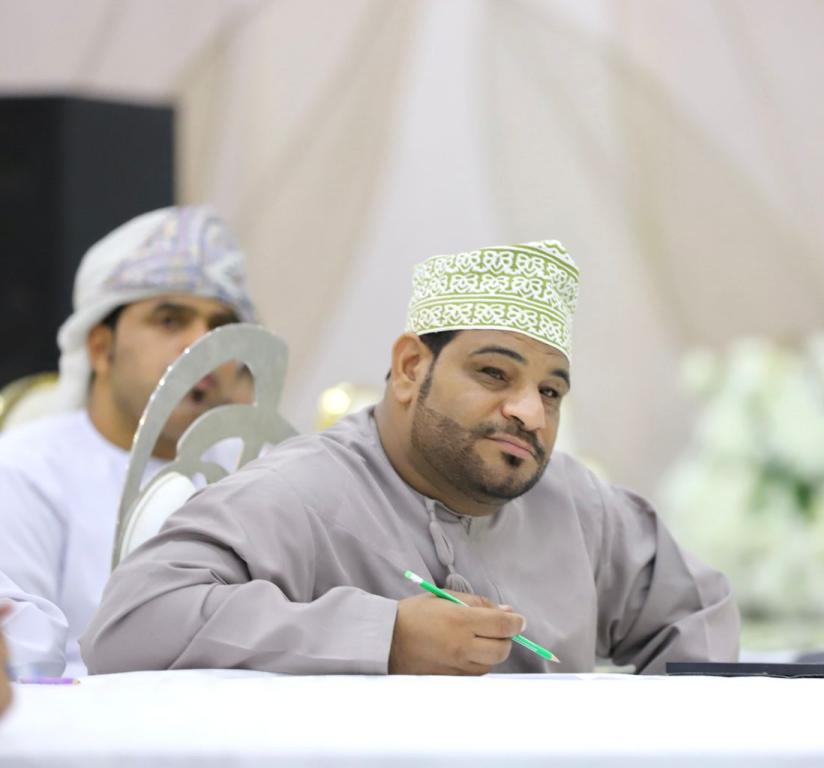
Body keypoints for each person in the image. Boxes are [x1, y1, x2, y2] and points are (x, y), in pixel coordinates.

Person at [83, 240, 739, 675]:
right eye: (494, 374)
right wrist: (383, 636)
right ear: (409, 368)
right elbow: (129, 624)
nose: (530, 413)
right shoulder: (300, 494)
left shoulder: (577, 506)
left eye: (550, 391)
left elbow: (696, 613)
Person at [0, 206, 258, 679]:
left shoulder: (257, 472)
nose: (202, 347)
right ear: (101, 349)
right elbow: (23, 662)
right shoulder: (23, 470)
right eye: (170, 320)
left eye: (221, 327)